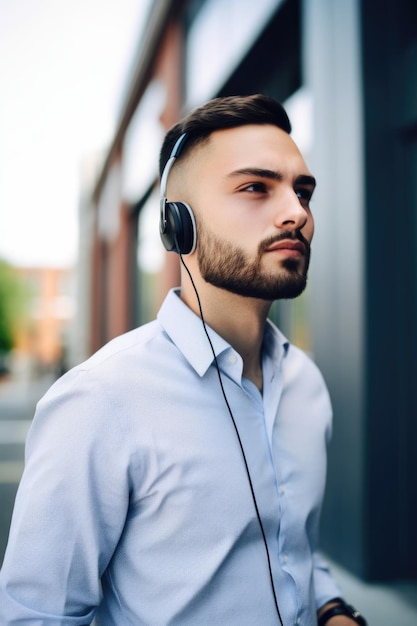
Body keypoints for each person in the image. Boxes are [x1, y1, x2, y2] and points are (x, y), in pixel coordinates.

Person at [0, 94, 366, 626]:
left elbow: (296, 550)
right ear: (179, 226)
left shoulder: (306, 384)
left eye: (302, 192)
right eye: (255, 187)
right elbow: (37, 616)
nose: (297, 213)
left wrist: (331, 609)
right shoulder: (99, 400)